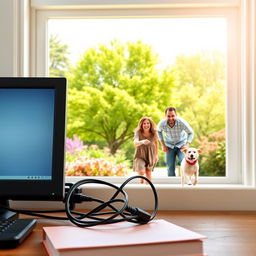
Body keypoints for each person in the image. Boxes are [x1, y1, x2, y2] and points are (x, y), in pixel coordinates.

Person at [157, 107, 194, 177]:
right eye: (168, 116)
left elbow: (191, 132)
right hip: (169, 146)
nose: (171, 118)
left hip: (181, 145)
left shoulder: (181, 122)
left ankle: (185, 181)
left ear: (176, 115)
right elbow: (158, 131)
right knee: (170, 167)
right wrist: (163, 145)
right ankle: (172, 185)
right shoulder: (162, 123)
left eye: (173, 116)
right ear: (165, 116)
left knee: (183, 162)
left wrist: (187, 144)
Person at [133, 117, 158, 184]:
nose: (146, 125)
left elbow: (156, 143)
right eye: (144, 123)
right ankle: (141, 183)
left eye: (148, 123)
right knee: (141, 172)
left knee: (148, 173)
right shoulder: (138, 132)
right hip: (140, 154)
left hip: (151, 154)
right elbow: (135, 143)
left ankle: (148, 189)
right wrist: (142, 141)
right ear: (141, 124)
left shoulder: (154, 132)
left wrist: (156, 155)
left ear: (150, 124)